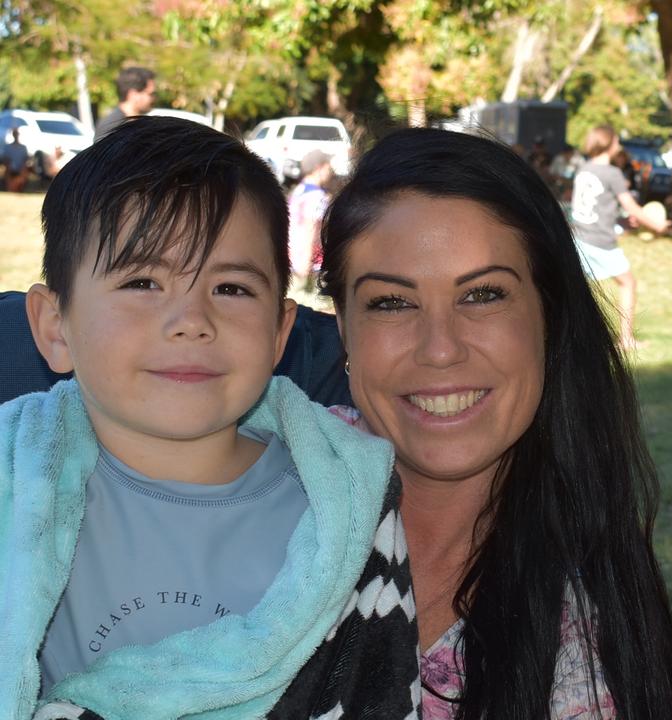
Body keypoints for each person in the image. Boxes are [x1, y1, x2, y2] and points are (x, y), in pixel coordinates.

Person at [0, 117, 420, 718]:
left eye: (231, 289)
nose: (191, 319)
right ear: (52, 327)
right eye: (143, 280)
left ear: (280, 331)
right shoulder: (16, 488)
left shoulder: (342, 509)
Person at [319, 127, 672, 719]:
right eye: (391, 301)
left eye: (483, 295)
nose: (440, 349)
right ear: (342, 328)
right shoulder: (253, 500)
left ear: (549, 315)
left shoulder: (594, 609)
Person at [570, 124, 670, 350]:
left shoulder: (584, 169)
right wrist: (657, 225)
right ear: (608, 143)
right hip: (600, 241)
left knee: (577, 292)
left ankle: (574, 340)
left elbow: (595, 207)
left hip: (579, 237)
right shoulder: (612, 173)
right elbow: (631, 206)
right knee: (628, 283)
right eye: (616, 141)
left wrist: (622, 223)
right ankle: (625, 340)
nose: (618, 145)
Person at [287, 149, 333, 290]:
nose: (331, 170)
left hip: (291, 259)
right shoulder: (318, 197)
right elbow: (311, 228)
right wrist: (306, 262)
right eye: (328, 166)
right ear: (319, 168)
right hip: (310, 264)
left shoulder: (297, 191)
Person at [94, 66, 156, 141]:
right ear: (133, 94)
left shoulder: (136, 123)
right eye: (151, 94)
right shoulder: (112, 126)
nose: (154, 98)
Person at [4, 127, 30, 192]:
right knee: (8, 168)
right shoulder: (8, 147)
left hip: (21, 168)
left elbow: (26, 160)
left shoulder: (23, 147)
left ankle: (19, 187)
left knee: (25, 170)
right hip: (11, 168)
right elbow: (6, 159)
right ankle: (10, 187)